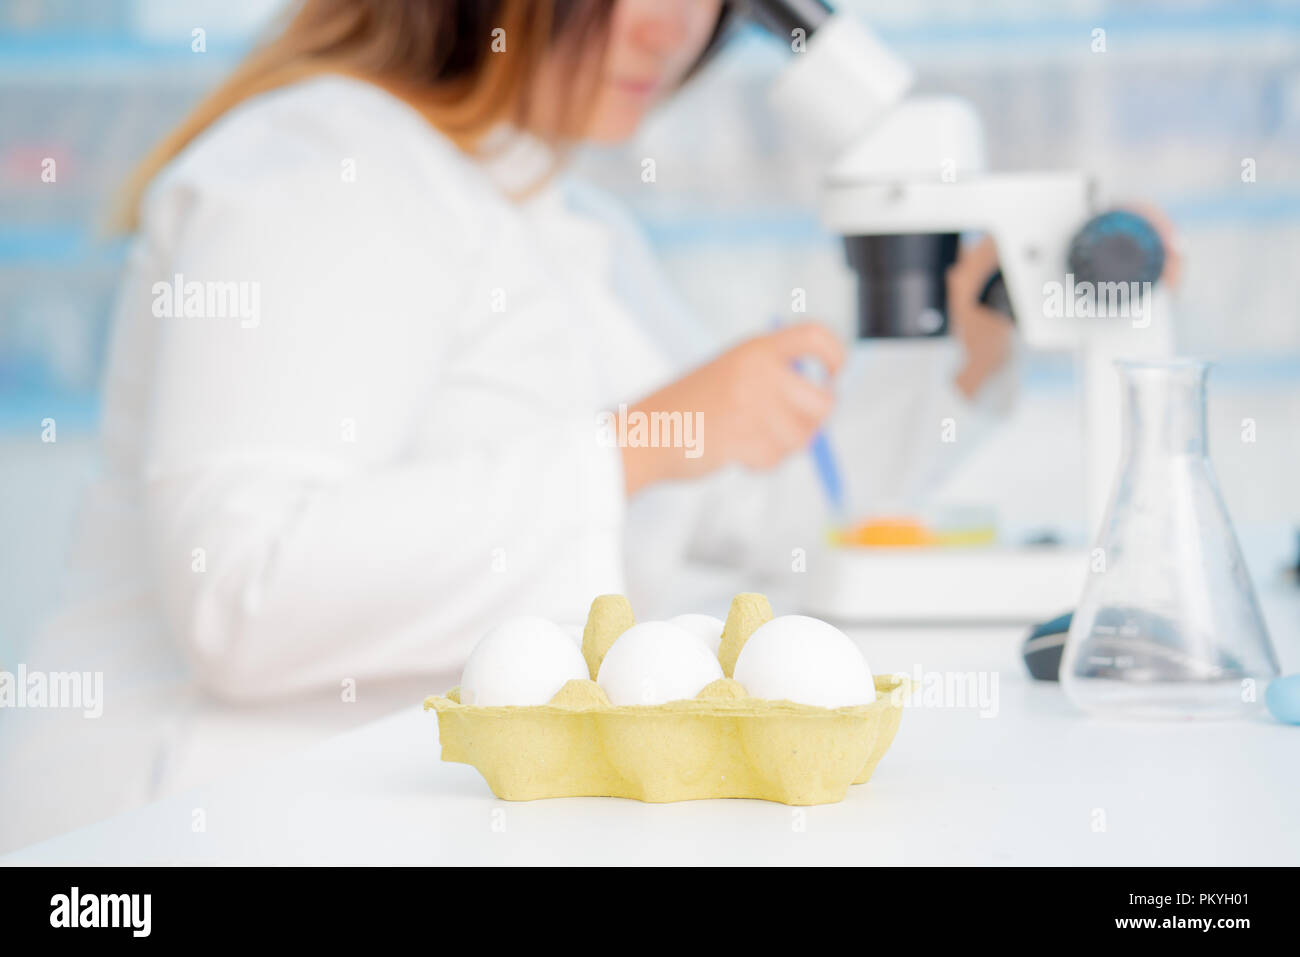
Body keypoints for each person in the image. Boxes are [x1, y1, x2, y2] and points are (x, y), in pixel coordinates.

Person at [0, 0, 1013, 851]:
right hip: (178, 822)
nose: (670, 26)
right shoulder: (318, 165)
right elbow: (243, 592)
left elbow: (755, 518)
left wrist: (971, 351)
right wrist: (637, 442)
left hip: (402, 813)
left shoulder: (559, 212)